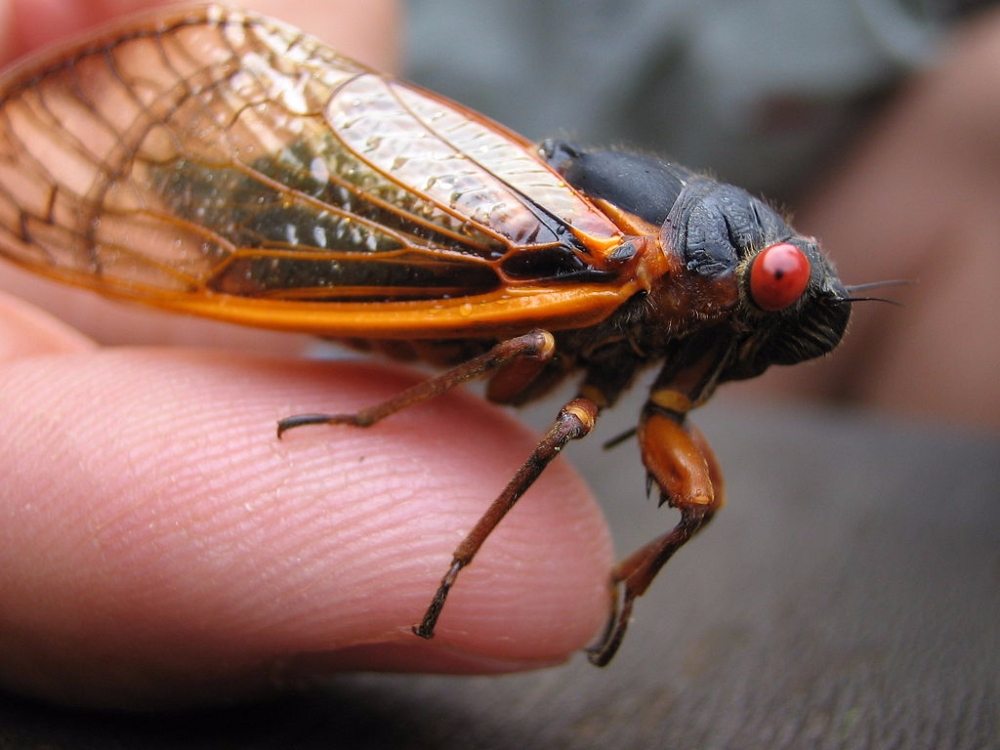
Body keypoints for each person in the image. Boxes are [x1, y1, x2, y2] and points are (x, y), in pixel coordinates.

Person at [0, 0, 995, 710]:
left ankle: (607, 578)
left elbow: (671, 416)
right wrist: (375, 426)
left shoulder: (702, 304)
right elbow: (540, 355)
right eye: (774, 282)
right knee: (532, 357)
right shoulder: (626, 265)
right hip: (413, 239)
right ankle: (430, 490)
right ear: (737, 268)